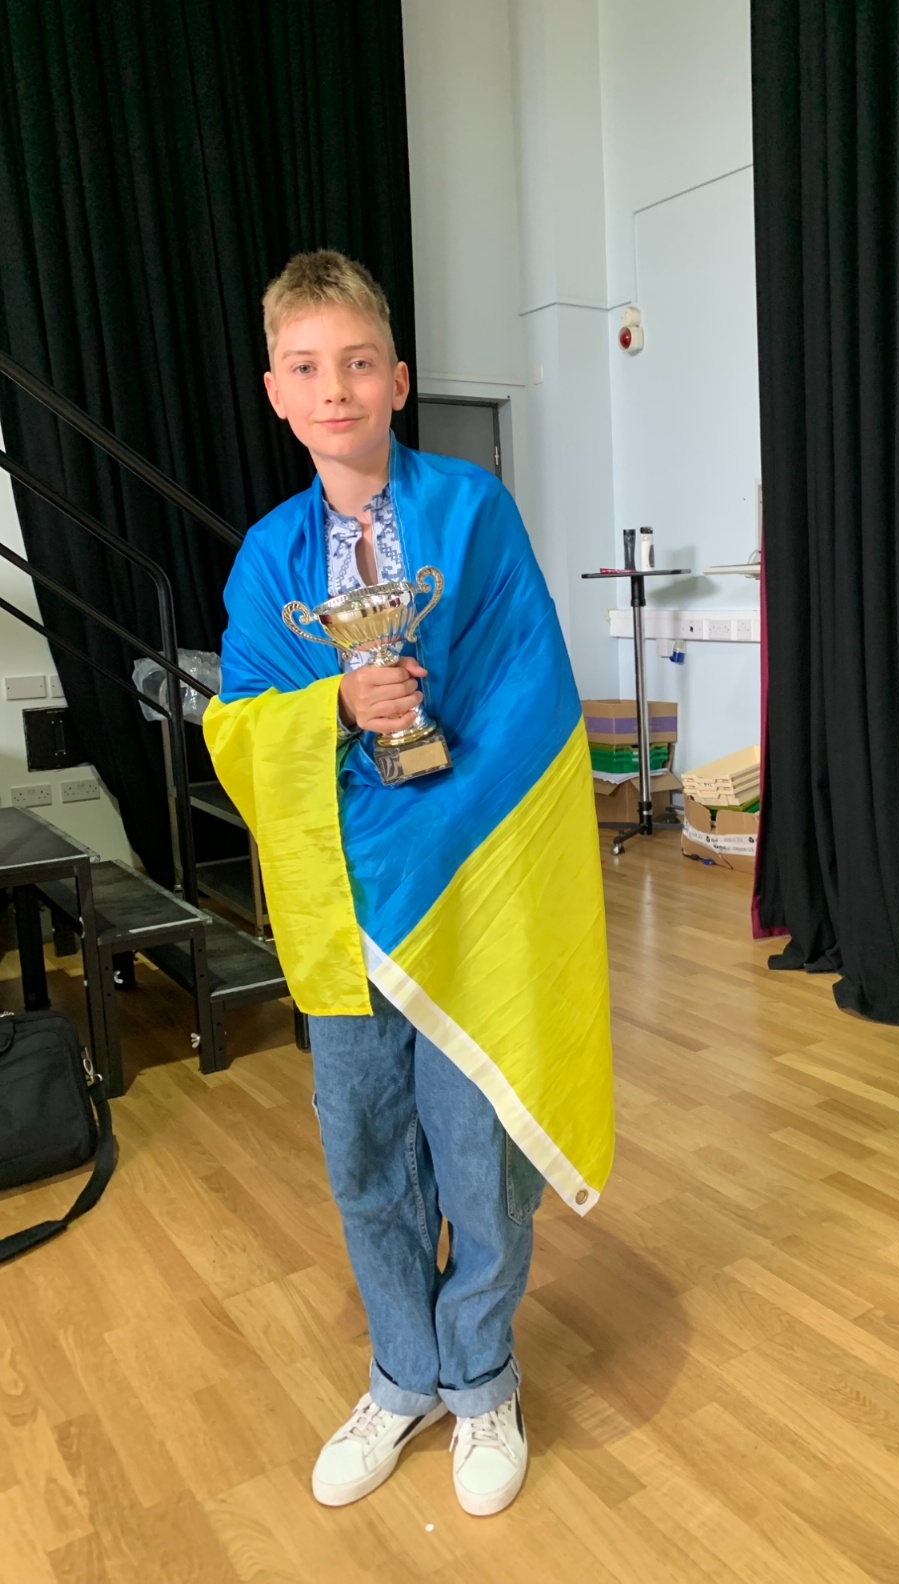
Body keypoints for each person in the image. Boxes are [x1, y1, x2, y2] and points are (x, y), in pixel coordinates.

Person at [204, 250, 613, 1517]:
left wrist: (448, 822)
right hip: (345, 904)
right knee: (367, 1147)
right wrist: (336, 706)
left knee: (474, 1140)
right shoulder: (268, 560)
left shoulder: (473, 514)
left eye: (358, 362)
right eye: (308, 367)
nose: (336, 387)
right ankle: (404, 1374)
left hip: (469, 883)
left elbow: (531, 692)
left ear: (399, 378)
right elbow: (236, 727)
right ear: (277, 392)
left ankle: (482, 1378)